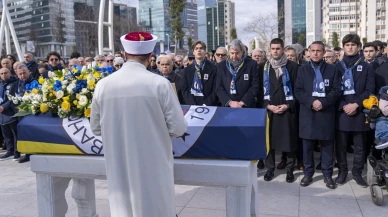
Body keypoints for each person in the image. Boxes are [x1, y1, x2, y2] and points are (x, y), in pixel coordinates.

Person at [90, 32, 187, 217]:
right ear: (151, 58)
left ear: (124, 55)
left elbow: (95, 128)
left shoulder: (103, 85)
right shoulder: (160, 84)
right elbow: (178, 128)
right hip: (153, 166)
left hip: (119, 165)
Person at [294, 41, 342, 189]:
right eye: (312, 50)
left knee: (327, 145)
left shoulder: (332, 70)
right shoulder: (302, 70)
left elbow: (336, 90)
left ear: (323, 53)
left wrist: (323, 102)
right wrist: (311, 102)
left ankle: (327, 175)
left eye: (318, 51)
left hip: (325, 112)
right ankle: (308, 173)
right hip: (308, 112)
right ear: (308, 52)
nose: (315, 53)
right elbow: (298, 91)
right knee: (307, 145)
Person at [335, 34, 375, 187]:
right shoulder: (336, 67)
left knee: (360, 146)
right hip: (342, 111)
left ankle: (357, 173)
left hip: (359, 111)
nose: (350, 47)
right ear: (343, 47)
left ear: (358, 47)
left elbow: (369, 89)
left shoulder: (366, 66)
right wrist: (344, 105)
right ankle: (342, 172)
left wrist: (356, 104)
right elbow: (334, 90)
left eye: (353, 44)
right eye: (347, 44)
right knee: (341, 146)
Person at [262, 38, 299, 183]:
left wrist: (288, 105)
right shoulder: (264, 67)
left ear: (283, 49)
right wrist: (267, 104)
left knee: (288, 141)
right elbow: (260, 90)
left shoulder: (293, 66)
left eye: (278, 48)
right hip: (270, 110)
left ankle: (290, 169)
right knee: (269, 142)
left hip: (287, 109)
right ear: (270, 50)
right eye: (273, 49)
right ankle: (270, 169)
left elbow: (298, 89)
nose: (275, 51)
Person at [217, 39, 259, 108]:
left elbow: (255, 85)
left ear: (242, 52)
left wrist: (243, 102)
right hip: (228, 106)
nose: (234, 56)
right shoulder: (221, 66)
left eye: (237, 53)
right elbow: (218, 86)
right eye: (232, 53)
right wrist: (229, 102)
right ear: (228, 53)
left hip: (246, 106)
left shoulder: (251, 64)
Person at [181, 41, 218, 106]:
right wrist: (192, 104)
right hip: (192, 106)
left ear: (205, 51)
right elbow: (185, 90)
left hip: (209, 106)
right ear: (193, 52)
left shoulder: (214, 68)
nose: (199, 50)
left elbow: (216, 89)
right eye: (196, 48)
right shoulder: (187, 70)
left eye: (201, 48)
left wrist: (206, 103)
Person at [13, 65, 35, 163]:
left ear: (29, 72)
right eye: (20, 74)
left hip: (32, 112)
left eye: (24, 73)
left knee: (32, 133)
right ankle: (27, 154)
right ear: (17, 75)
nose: (23, 76)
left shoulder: (35, 82)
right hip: (20, 113)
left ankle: (33, 153)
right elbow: (12, 99)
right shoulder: (15, 85)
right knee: (24, 134)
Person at [0, 68, 19, 161]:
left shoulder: (14, 83)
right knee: (6, 134)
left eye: (5, 73)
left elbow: (12, 98)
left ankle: (16, 152)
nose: (4, 75)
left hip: (11, 112)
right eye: (2, 73)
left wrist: (4, 107)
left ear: (10, 73)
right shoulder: (0, 85)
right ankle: (9, 150)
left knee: (14, 134)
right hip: (1, 114)